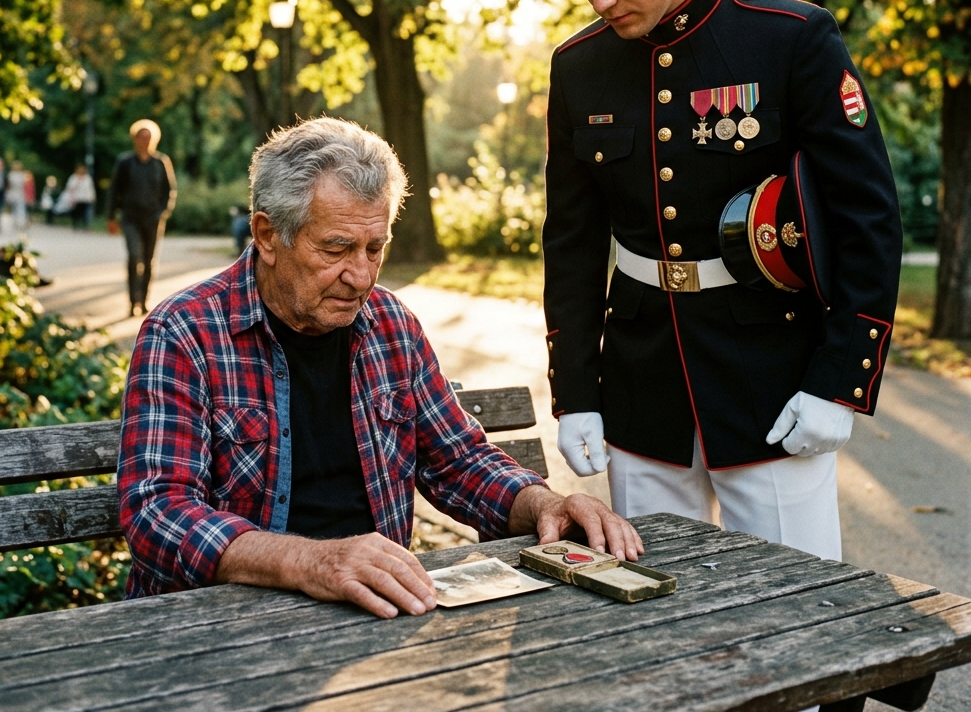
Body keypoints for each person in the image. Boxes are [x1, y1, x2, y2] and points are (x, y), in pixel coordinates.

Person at [540, 0, 901, 712]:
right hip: (642, 388)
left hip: (775, 385)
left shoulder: (789, 39)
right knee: (661, 636)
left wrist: (840, 380)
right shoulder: (578, 66)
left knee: (795, 632)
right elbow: (573, 245)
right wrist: (576, 392)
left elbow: (866, 217)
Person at [117, 118, 642, 617]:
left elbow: (457, 460)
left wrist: (544, 504)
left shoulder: (391, 324)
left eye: (376, 248)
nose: (361, 276)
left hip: (372, 607)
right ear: (267, 235)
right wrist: (311, 563)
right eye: (338, 248)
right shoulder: (183, 334)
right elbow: (158, 512)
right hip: (222, 621)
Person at [107, 120, 176, 316]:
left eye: (148, 137)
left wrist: (163, 212)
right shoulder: (125, 162)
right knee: (134, 256)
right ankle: (132, 301)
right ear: (135, 139)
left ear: (154, 139)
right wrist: (111, 216)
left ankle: (144, 301)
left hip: (153, 219)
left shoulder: (161, 162)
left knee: (148, 260)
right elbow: (114, 191)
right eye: (141, 137)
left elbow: (169, 191)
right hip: (130, 218)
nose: (145, 141)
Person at [63, 164, 96, 229]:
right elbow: (69, 188)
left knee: (85, 212)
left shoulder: (87, 178)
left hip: (86, 198)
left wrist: (93, 196)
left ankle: (85, 226)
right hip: (76, 198)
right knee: (76, 212)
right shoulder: (73, 177)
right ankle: (75, 225)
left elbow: (90, 188)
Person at [5, 160, 28, 231]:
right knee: (20, 208)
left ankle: (17, 222)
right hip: (19, 193)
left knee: (15, 208)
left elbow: (8, 185)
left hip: (14, 193)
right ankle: (20, 222)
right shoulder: (22, 175)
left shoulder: (11, 175)